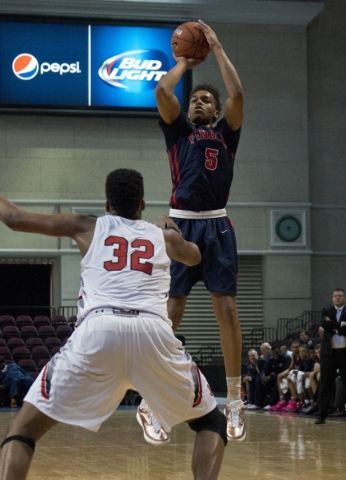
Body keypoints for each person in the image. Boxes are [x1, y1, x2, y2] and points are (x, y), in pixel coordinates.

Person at [0, 169, 227, 480]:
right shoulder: (164, 238)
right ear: (143, 205)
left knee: (23, 430)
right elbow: (195, 257)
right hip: (153, 332)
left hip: (99, 330)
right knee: (211, 423)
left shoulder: (85, 225)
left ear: (108, 205)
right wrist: (177, 234)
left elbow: (13, 218)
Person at [153, 19, 245, 442]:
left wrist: (218, 48)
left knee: (226, 310)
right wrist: (184, 61)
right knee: (171, 313)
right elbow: (161, 93)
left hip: (217, 225)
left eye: (206, 99)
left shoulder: (227, 135)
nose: (198, 103)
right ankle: (156, 402)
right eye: (195, 99)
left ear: (215, 109)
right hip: (180, 224)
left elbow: (238, 94)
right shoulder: (179, 134)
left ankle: (236, 400)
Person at [315, 288, 346, 425]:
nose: (337, 298)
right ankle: (322, 415)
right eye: (335, 296)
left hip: (344, 352)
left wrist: (332, 326)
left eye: (340, 296)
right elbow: (324, 324)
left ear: (344, 298)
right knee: (325, 384)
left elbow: (329, 326)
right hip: (329, 353)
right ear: (332, 298)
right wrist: (341, 324)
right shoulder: (326, 311)